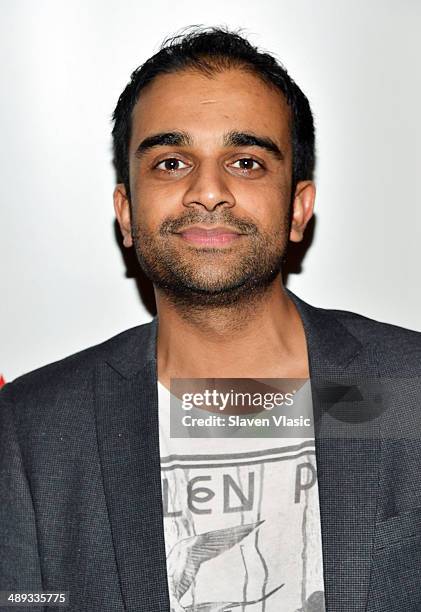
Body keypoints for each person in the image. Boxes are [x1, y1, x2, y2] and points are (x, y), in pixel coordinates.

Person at [1, 26, 421, 612]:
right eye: (172, 162)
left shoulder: (409, 388)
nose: (208, 191)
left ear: (298, 209)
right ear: (126, 212)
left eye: (246, 162)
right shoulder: (33, 430)